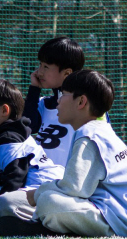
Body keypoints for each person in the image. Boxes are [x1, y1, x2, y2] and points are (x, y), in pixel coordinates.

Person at [24, 69, 127, 237]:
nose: (59, 101)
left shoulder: (89, 135)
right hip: (118, 216)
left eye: (64, 94)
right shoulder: (97, 130)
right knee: (43, 198)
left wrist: (38, 193)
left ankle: (43, 226)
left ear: (81, 101)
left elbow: (73, 188)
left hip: (117, 222)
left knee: (48, 201)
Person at [0, 78, 63, 235]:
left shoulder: (8, 137)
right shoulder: (7, 133)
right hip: (41, 196)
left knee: (4, 203)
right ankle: (33, 225)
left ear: (4, 110)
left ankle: (47, 227)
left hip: (47, 196)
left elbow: (15, 178)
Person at [22, 37, 85, 169]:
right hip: (40, 181)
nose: (39, 72)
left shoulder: (86, 105)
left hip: (68, 185)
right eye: (40, 65)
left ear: (67, 73)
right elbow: (28, 127)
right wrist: (34, 89)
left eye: (46, 67)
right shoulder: (44, 103)